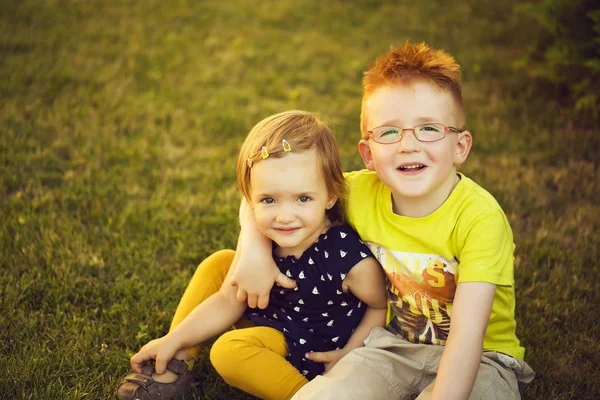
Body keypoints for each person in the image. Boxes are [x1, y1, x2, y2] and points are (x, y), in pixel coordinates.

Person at [231, 43, 536, 399]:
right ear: (368, 153)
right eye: (389, 132)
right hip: (390, 346)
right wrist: (253, 248)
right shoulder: (358, 191)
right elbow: (266, 191)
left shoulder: (480, 219)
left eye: (429, 129)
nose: (408, 145)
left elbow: (468, 337)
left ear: (460, 147)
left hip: (482, 359)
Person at [116, 110, 387, 400]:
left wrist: (348, 354)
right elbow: (227, 300)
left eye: (303, 199)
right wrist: (174, 338)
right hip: (270, 317)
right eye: (268, 200)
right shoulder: (267, 238)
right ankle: (175, 357)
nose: (284, 216)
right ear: (250, 197)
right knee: (219, 263)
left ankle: (308, 395)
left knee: (229, 351)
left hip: (306, 345)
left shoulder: (345, 257)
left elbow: (379, 307)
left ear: (330, 196)